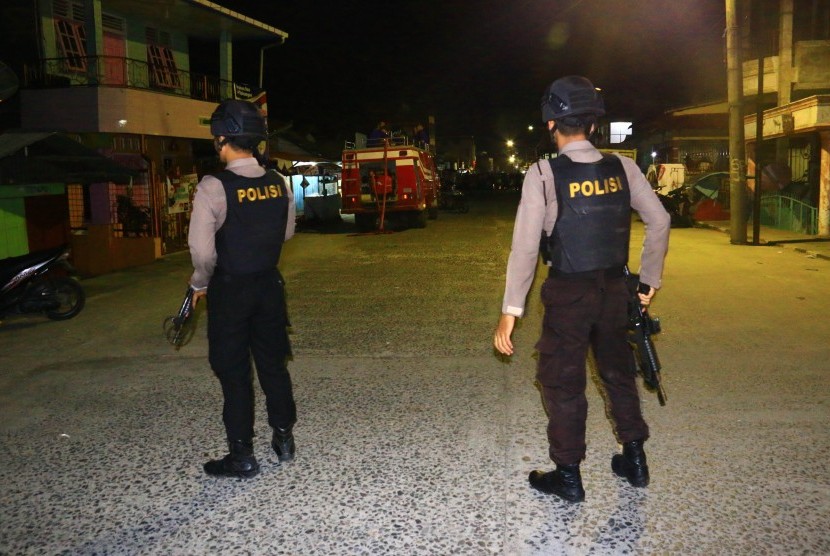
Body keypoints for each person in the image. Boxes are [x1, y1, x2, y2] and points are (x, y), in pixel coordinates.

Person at [493, 76, 670, 503]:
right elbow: (660, 220)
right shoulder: (623, 168)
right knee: (618, 374)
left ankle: (568, 476)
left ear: (552, 124)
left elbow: (524, 247)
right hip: (615, 290)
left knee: (562, 381)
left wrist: (510, 310)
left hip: (569, 293)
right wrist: (647, 284)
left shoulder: (542, 174)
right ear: (592, 125)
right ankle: (635, 461)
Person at [188, 99, 298, 479]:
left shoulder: (213, 186)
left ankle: (242, 456)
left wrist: (198, 284)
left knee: (234, 373)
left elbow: (202, 252)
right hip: (269, 285)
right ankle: (283, 438)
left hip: (231, 290)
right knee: (273, 365)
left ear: (222, 139)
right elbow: (285, 233)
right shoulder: (278, 182)